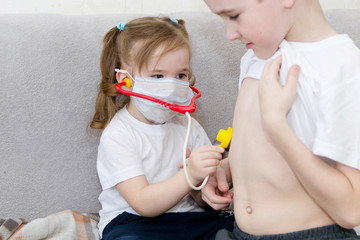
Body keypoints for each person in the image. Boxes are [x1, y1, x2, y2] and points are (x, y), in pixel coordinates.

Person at [201, 0, 360, 239]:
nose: (229, 34)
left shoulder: (339, 66)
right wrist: (226, 169)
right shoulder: (254, 57)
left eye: (233, 15)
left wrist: (276, 125)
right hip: (239, 232)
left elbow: (350, 210)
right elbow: (263, 154)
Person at [89, 16, 234, 240]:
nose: (171, 85)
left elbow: (197, 197)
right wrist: (190, 174)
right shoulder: (118, 135)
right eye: (157, 76)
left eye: (180, 75)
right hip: (134, 223)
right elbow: (144, 203)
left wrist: (205, 184)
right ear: (125, 80)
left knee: (240, 226)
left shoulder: (188, 126)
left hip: (190, 219)